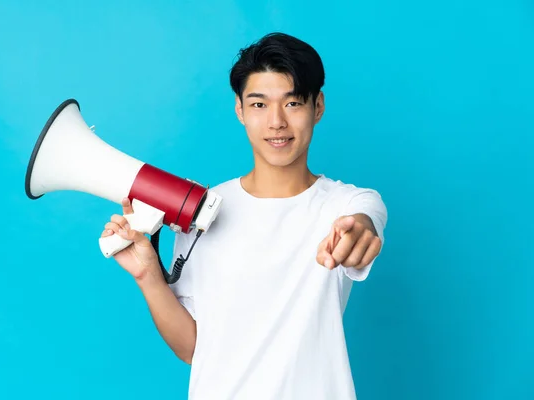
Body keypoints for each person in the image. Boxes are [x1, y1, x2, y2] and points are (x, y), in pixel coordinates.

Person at [101, 32, 388, 400]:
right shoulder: (202, 209)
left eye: (293, 103)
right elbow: (193, 349)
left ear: (318, 106)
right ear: (239, 110)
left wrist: (357, 236)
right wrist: (148, 277)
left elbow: (363, 224)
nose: (276, 122)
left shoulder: (349, 204)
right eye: (258, 105)